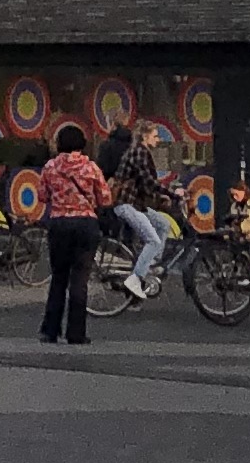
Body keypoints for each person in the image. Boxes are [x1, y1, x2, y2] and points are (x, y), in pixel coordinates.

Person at [33, 123, 110, 346]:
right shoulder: (91, 168)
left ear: (59, 144)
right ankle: (76, 333)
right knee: (80, 279)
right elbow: (105, 198)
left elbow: (41, 196)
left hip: (59, 224)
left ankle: (50, 330)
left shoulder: (50, 167)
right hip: (85, 224)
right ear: (82, 144)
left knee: (58, 277)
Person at [97, 127, 174, 299]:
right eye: (155, 136)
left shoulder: (140, 152)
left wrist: (160, 196)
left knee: (163, 225)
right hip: (126, 205)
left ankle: (151, 264)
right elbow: (148, 181)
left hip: (136, 204)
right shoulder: (139, 152)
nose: (158, 139)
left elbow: (143, 184)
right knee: (153, 240)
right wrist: (173, 194)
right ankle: (136, 278)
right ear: (145, 136)